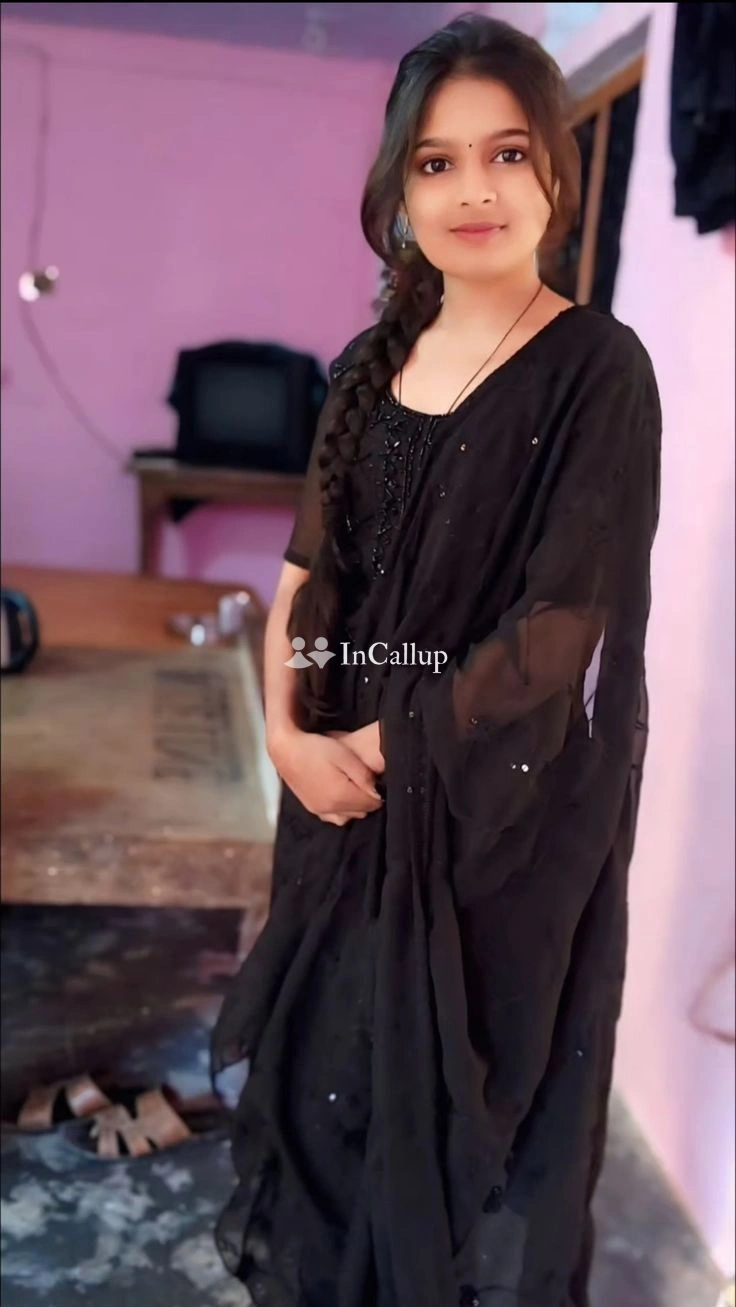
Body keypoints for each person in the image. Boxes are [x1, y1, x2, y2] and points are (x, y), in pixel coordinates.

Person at [211, 13, 662, 1307]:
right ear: (400, 192)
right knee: (324, 1094)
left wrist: (386, 747)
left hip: (490, 817)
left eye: (506, 153)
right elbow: (305, 577)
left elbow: (561, 624)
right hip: (340, 801)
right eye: (437, 161)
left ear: (555, 171)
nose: (475, 189)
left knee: (467, 1133)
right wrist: (287, 738)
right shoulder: (371, 366)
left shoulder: (595, 370)